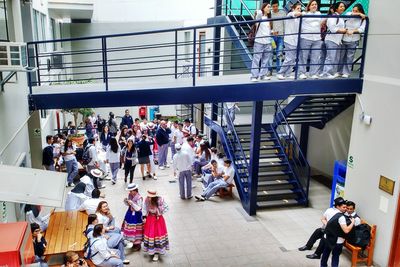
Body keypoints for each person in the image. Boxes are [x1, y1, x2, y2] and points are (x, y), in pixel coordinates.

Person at [320, 198, 355, 267]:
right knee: (335, 256)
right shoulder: (341, 217)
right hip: (338, 240)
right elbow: (346, 230)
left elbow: (322, 219)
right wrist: (353, 222)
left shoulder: (329, 210)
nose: (345, 209)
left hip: (327, 237)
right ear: (338, 206)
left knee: (325, 254)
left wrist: (328, 226)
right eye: (344, 207)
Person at [321, 2, 347, 78]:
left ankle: (331, 73)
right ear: (336, 8)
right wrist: (345, 30)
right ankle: (326, 73)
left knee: (335, 58)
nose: (343, 8)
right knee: (330, 57)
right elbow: (333, 29)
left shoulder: (340, 17)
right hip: (331, 40)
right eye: (341, 6)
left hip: (337, 41)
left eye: (343, 6)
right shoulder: (333, 17)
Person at [277, 2, 302, 80]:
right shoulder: (290, 14)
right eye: (298, 8)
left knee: (293, 58)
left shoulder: (298, 19)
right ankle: (280, 73)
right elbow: (294, 14)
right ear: (293, 9)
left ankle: (288, 73)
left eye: (300, 8)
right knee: (289, 58)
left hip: (296, 41)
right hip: (289, 40)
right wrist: (302, 13)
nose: (299, 10)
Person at [142, 190, 169, 261]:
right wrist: (144, 217)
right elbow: (144, 208)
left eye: (151, 197)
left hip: (158, 220)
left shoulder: (160, 200)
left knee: (157, 235)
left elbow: (166, 208)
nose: (149, 198)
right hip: (150, 219)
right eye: (149, 196)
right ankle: (151, 250)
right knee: (151, 235)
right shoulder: (146, 199)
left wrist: (159, 212)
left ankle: (157, 252)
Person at [298, 0, 323, 79]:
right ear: (309, 6)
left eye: (315, 4)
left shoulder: (319, 13)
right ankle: (301, 73)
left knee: (315, 57)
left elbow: (319, 22)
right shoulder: (304, 14)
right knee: (303, 56)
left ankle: (313, 73)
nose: (314, 6)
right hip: (306, 38)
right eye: (312, 4)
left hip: (317, 39)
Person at [341, 3, 366, 78]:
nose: (354, 12)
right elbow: (346, 16)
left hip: (354, 40)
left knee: (349, 57)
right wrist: (357, 13)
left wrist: (353, 31)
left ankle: (346, 72)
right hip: (344, 38)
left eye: (357, 11)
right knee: (341, 56)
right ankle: (339, 71)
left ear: (360, 11)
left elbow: (361, 29)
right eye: (353, 10)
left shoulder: (362, 20)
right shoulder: (349, 14)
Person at [250, 2, 273, 82]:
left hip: (267, 42)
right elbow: (258, 14)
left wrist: (272, 32)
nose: (270, 8)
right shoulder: (260, 17)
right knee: (256, 59)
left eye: (270, 7)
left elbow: (268, 30)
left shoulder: (269, 19)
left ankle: (262, 75)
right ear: (263, 8)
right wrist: (260, 10)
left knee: (265, 60)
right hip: (259, 41)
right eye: (268, 7)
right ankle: (254, 76)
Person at [122, 183, 143, 250]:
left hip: (137, 215)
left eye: (131, 191)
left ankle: (137, 244)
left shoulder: (139, 198)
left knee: (136, 228)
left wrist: (132, 203)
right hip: (130, 213)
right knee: (130, 227)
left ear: (135, 190)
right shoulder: (130, 195)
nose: (130, 192)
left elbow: (139, 208)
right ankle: (132, 241)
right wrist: (126, 202)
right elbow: (128, 205)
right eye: (130, 191)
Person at [269, 0, 286, 75]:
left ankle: (279, 70)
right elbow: (268, 25)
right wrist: (272, 32)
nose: (275, 8)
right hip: (272, 37)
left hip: (281, 37)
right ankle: (269, 70)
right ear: (271, 6)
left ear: (278, 5)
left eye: (276, 6)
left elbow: (285, 24)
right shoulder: (269, 14)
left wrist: (285, 35)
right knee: (270, 54)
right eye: (273, 6)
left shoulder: (283, 13)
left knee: (279, 53)